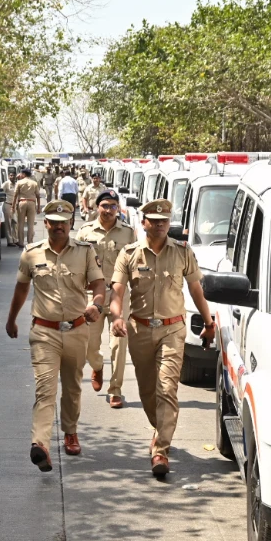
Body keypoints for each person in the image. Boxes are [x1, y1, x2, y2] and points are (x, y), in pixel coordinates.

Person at [110, 198, 215, 477]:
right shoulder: (129, 253)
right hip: (139, 330)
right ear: (143, 222)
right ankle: (160, 429)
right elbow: (117, 290)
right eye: (154, 220)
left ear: (170, 223)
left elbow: (195, 289)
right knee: (148, 391)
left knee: (166, 388)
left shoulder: (182, 252)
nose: (159, 225)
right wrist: (116, 316)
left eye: (164, 221)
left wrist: (208, 321)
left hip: (172, 329)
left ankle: (161, 451)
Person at [7, 200, 107, 471]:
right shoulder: (31, 253)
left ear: (71, 224)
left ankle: (70, 431)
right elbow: (21, 289)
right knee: (45, 390)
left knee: (72, 387)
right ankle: (40, 445)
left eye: (64, 222)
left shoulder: (85, 252)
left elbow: (99, 283)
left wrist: (96, 304)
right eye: (54, 221)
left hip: (76, 329)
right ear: (45, 223)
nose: (59, 226)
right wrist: (12, 319)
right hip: (43, 332)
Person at [76, 190, 136, 408]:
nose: (109, 210)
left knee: (119, 343)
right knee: (90, 344)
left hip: (119, 294)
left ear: (117, 208)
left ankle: (116, 389)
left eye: (113, 206)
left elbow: (135, 263)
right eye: (105, 205)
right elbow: (75, 262)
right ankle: (97, 365)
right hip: (93, 295)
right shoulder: (84, 232)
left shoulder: (128, 233)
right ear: (96, 207)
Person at [12, 169, 40, 245]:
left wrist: (13, 206)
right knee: (30, 224)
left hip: (22, 202)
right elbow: (38, 195)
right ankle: (30, 241)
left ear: (24, 174)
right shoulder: (34, 183)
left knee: (20, 223)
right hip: (32, 202)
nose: (20, 175)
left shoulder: (19, 182)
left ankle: (21, 242)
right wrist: (38, 207)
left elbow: (15, 195)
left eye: (21, 174)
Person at [2, 172, 19, 246]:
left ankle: (15, 239)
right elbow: (1, 192)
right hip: (7, 205)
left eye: (13, 175)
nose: (12, 177)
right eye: (10, 175)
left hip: (15, 205)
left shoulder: (17, 184)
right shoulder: (6, 184)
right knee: (8, 223)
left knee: (15, 223)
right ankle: (10, 241)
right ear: (8, 176)